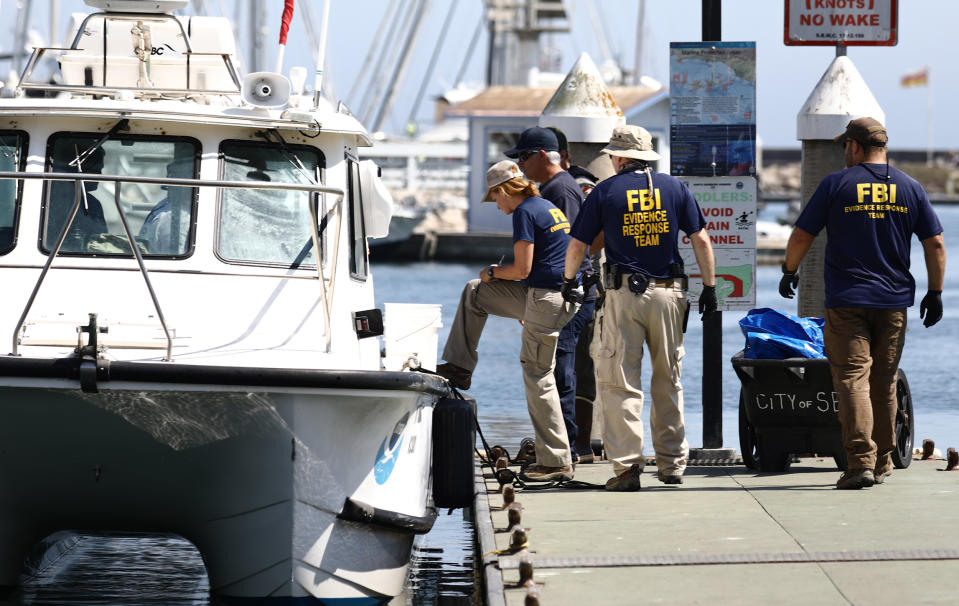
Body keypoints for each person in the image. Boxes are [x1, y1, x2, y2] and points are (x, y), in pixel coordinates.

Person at [780, 117, 946, 490]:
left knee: (852, 379)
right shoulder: (910, 187)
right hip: (893, 303)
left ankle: (860, 464)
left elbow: (803, 234)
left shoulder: (837, 185)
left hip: (846, 301)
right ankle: (884, 461)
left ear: (854, 146)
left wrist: (789, 270)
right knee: (883, 381)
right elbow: (934, 242)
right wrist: (934, 293)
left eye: (844, 147)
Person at [562, 124, 717, 491]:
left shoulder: (606, 191)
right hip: (670, 294)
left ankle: (629, 468)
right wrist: (709, 287)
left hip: (623, 294)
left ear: (618, 158)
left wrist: (569, 282)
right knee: (669, 378)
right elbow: (701, 239)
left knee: (620, 383)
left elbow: (578, 245)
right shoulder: (675, 187)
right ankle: (672, 464)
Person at [437, 160, 580, 482]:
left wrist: (492, 272)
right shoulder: (546, 206)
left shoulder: (525, 212)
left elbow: (522, 269)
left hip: (547, 297)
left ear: (503, 190)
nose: (497, 207)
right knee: (476, 292)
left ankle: (557, 460)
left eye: (495, 199)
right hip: (558, 295)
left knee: (538, 376)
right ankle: (459, 365)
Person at [505, 126, 596, 464]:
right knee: (558, 366)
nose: (520, 166)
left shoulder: (560, 191)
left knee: (560, 369)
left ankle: (568, 448)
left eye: (523, 157)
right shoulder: (555, 187)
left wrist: (544, 298)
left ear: (542, 155)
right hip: (566, 290)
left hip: (567, 292)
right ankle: (566, 446)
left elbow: (568, 249)